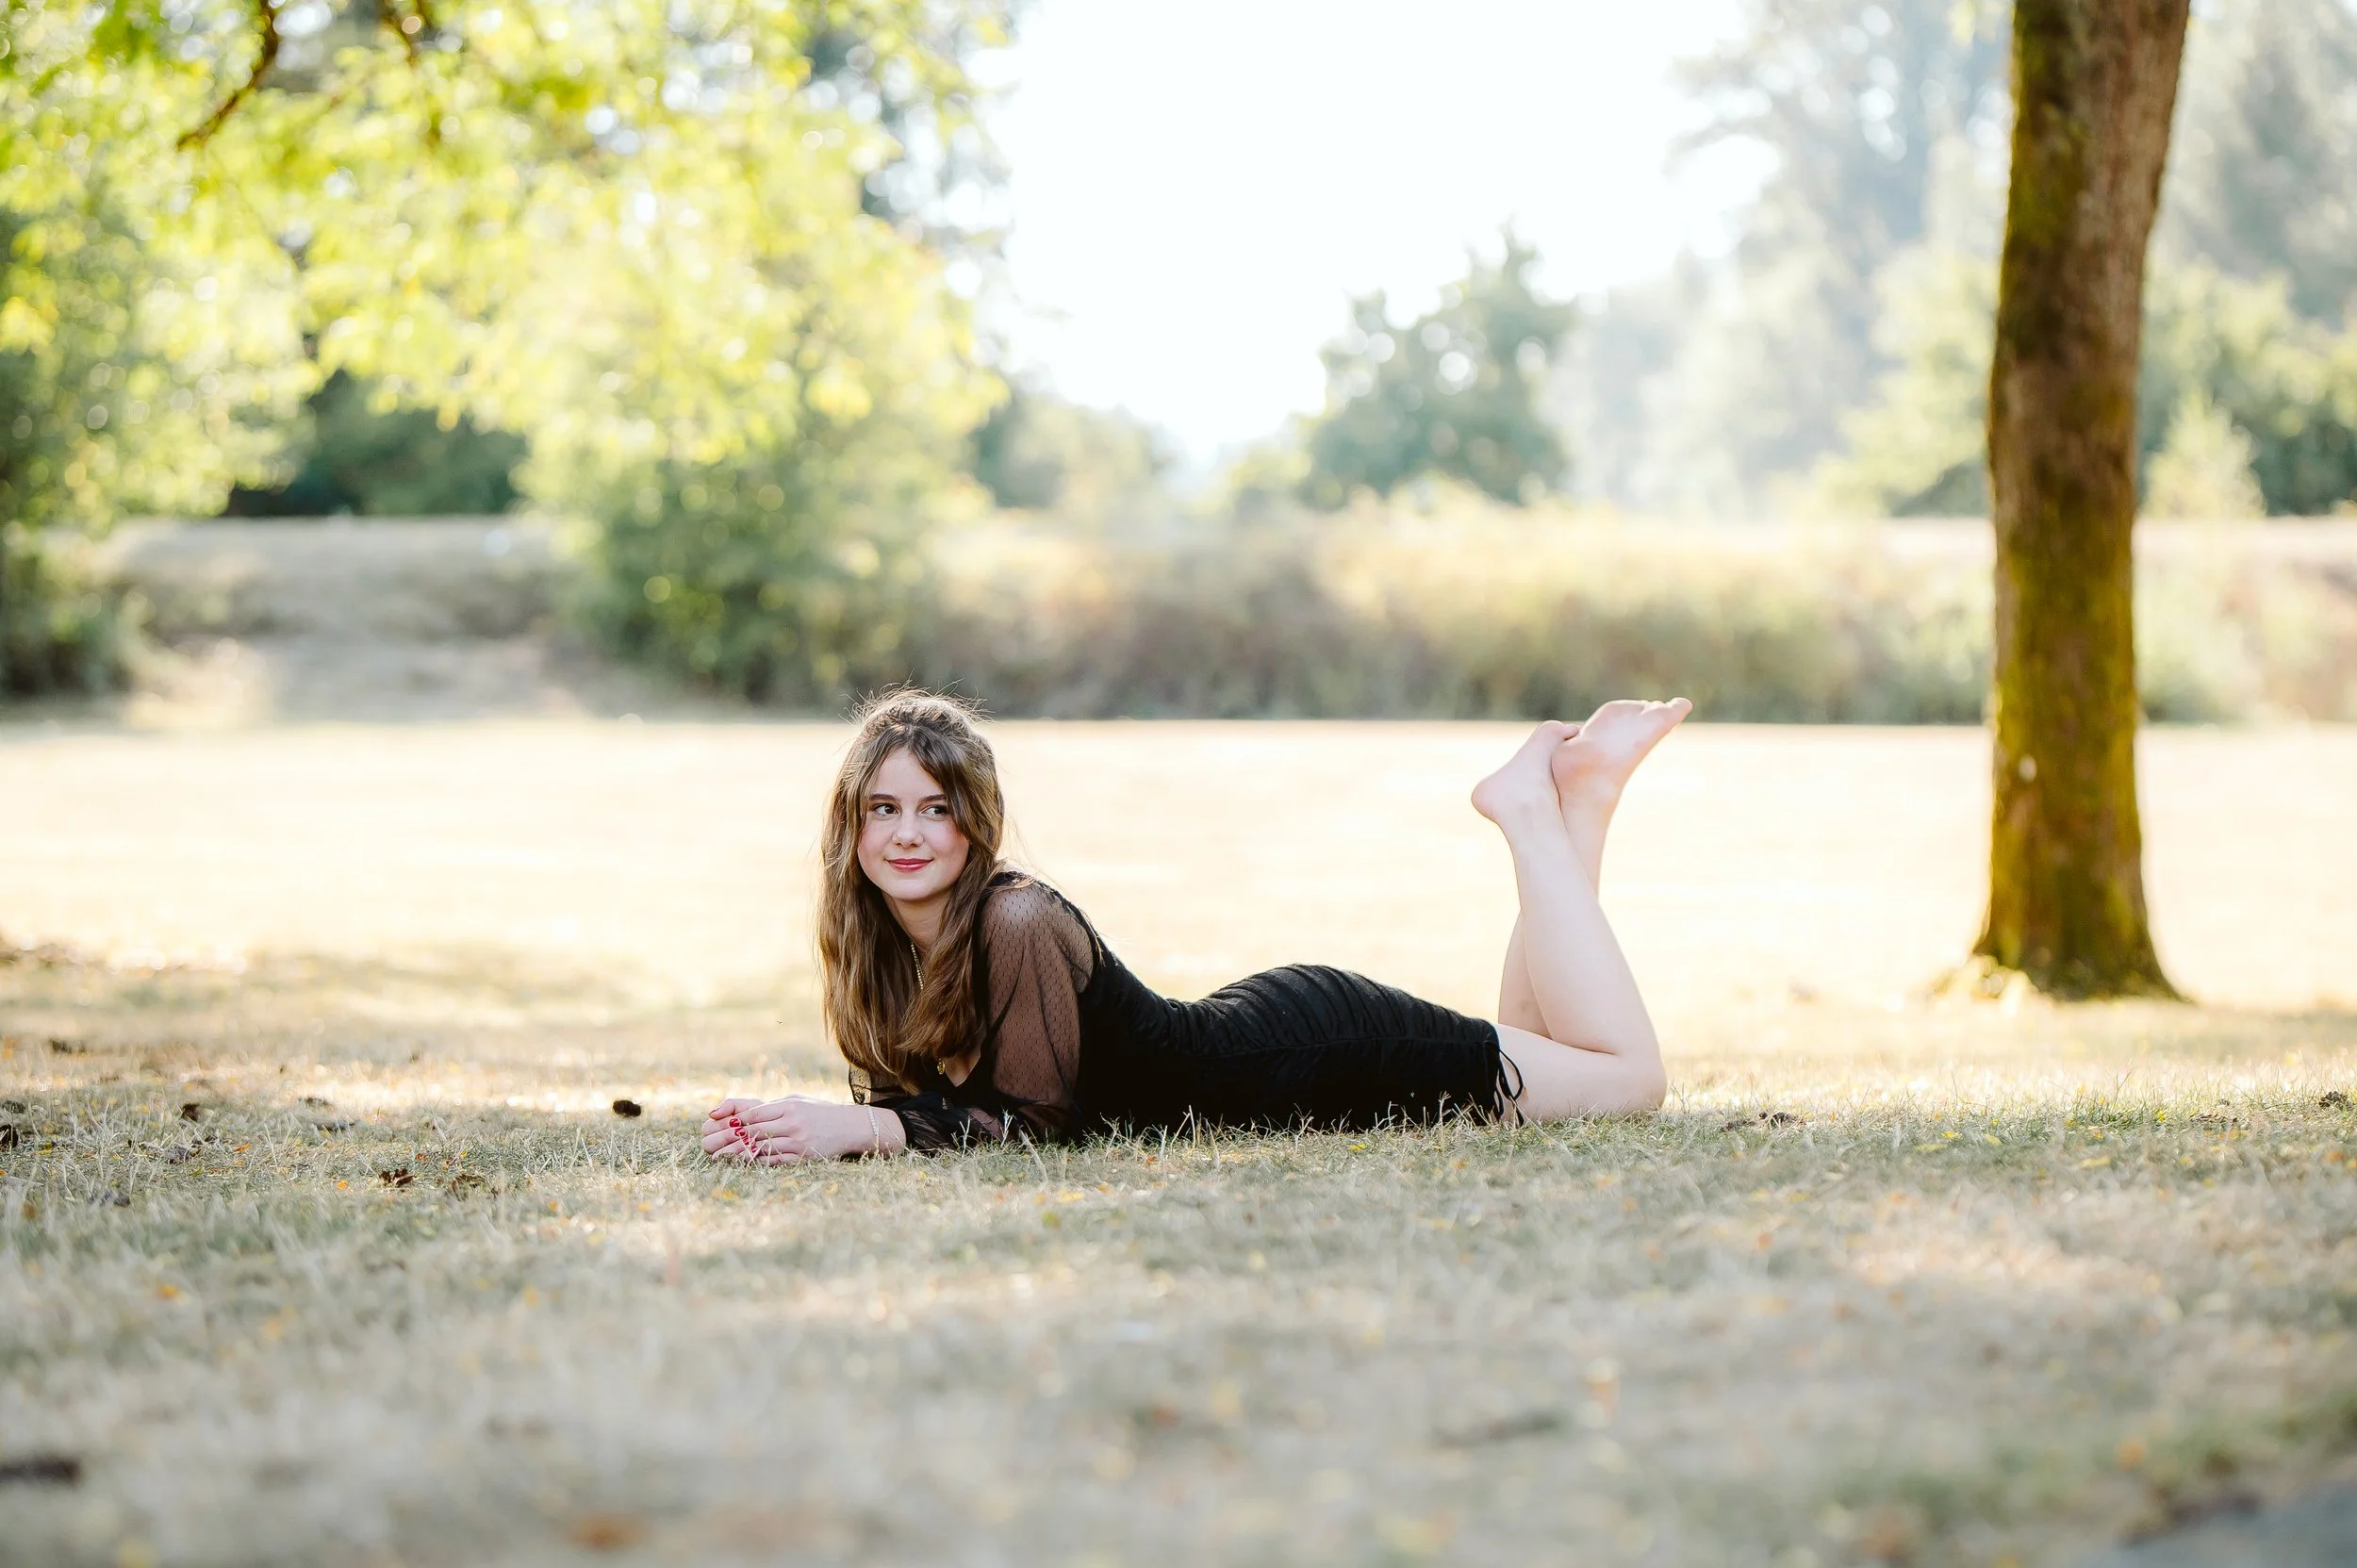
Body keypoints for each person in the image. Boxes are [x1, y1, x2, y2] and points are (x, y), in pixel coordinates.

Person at [702, 688, 1687, 1163]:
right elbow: (916, 1103)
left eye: (936, 807)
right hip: (1256, 1028)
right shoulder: (876, 950)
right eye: (884, 808)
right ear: (854, 824)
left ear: (976, 823)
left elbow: (1036, 1126)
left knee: (1624, 1083)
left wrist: (854, 1130)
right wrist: (827, 1130)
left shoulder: (1017, 917)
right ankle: (1579, 799)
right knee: (1560, 1054)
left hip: (1321, 1052)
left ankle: (1524, 812)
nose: (910, 833)